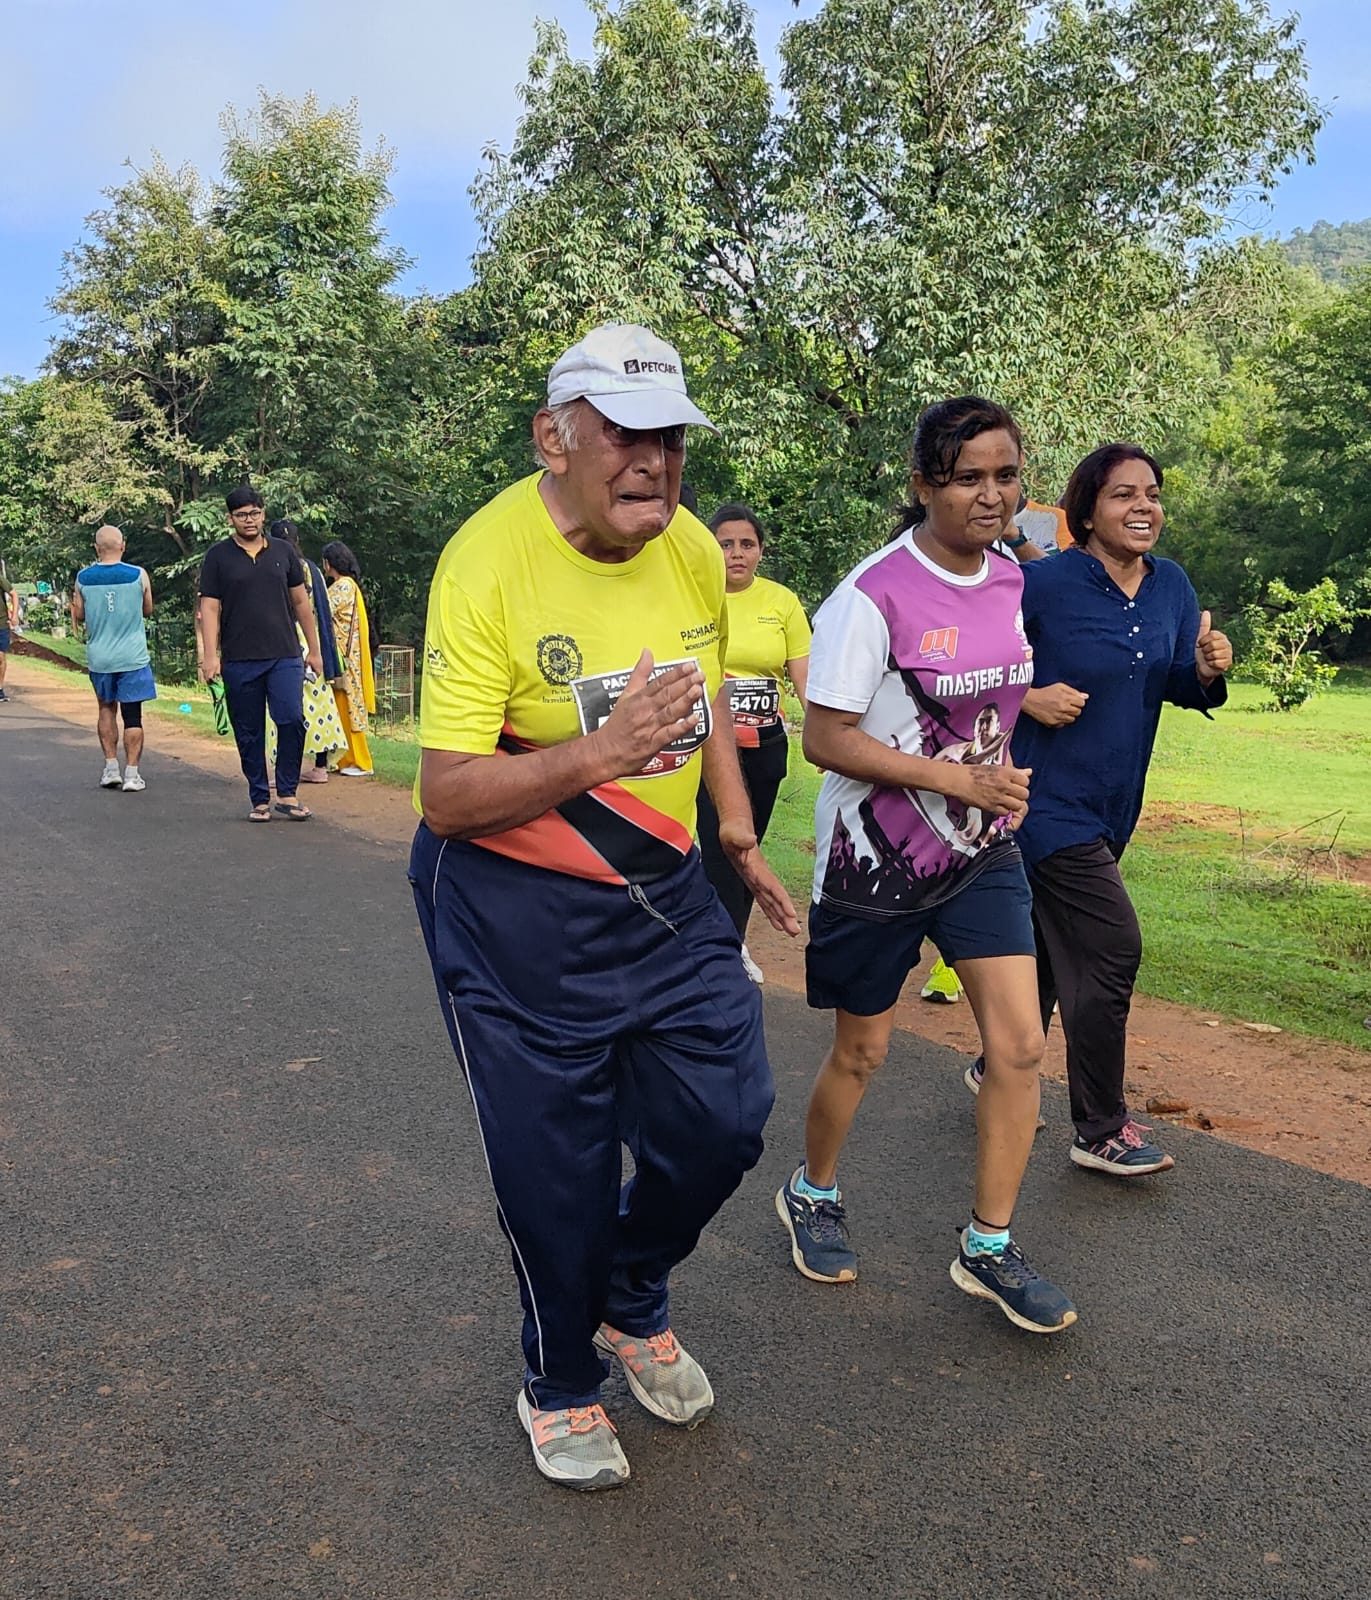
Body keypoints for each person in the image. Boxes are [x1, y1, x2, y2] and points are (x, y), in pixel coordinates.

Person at [410, 322, 799, 1491]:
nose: (654, 462)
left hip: (666, 889)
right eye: (625, 435)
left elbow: (712, 695)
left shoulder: (685, 545)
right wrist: (603, 750)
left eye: (670, 438)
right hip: (507, 903)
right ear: (555, 436)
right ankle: (560, 1376)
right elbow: (444, 796)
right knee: (557, 1170)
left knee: (726, 1117)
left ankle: (631, 1292)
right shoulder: (487, 563)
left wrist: (734, 829)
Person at [775, 395, 1076, 1336]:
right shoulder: (871, 596)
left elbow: (988, 692)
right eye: (968, 478)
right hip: (876, 862)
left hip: (983, 851)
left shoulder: (1010, 579)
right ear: (923, 486)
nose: (992, 496)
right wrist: (952, 776)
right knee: (862, 1050)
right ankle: (811, 1190)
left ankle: (987, 1244)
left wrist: (1013, 740)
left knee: (1020, 1045)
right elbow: (824, 738)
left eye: (1006, 475)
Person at [965, 443, 1232, 1176]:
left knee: (1055, 952)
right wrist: (1025, 697)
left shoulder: (1170, 585)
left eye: (1151, 494)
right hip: (1040, 801)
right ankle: (1100, 1127)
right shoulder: (1038, 584)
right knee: (1110, 946)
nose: (1143, 507)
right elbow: (968, 669)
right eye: (1123, 495)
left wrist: (1204, 672)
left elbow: (1167, 678)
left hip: (1114, 802)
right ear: (1085, 511)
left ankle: (997, 1067)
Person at [696, 503, 811, 984]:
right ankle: (713, 949)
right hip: (706, 745)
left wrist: (827, 737)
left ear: (761, 550)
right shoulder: (696, 596)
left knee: (750, 845)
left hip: (765, 745)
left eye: (747, 544)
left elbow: (805, 677)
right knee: (716, 843)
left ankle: (732, 943)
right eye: (726, 544)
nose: (737, 554)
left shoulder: (782, 603)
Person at [198, 486, 323, 823]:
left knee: (291, 719)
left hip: (284, 654)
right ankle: (259, 797)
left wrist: (315, 649)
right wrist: (210, 656)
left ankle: (287, 792)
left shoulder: (283, 552)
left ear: (263, 514)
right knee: (249, 729)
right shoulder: (218, 557)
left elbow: (301, 603)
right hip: (239, 658)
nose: (248, 520)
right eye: (241, 515)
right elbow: (209, 608)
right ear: (230, 519)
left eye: (254, 513)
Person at [70, 526, 156, 792]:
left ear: (97, 548)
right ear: (123, 546)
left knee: (106, 709)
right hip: (133, 657)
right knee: (133, 716)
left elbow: (80, 614)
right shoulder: (138, 575)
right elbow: (148, 609)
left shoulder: (83, 578)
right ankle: (132, 774)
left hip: (101, 658)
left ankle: (110, 769)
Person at [267, 520, 347, 784]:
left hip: (283, 642)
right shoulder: (311, 568)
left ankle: (282, 769)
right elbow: (322, 610)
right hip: (311, 642)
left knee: (281, 705)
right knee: (319, 704)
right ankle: (321, 766)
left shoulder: (274, 565)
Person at [320, 542, 375, 776]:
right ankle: (346, 759)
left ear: (328, 563)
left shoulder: (343, 587)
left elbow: (321, 611)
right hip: (345, 657)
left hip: (345, 659)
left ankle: (361, 761)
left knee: (350, 708)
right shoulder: (345, 585)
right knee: (343, 707)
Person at [0, 559, 13, 703]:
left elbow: (13, 594)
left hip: (1, 623)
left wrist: (14, 615)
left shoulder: (1, 580)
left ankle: (0, 689)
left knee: (1, 657)